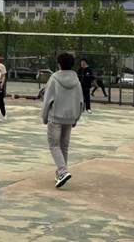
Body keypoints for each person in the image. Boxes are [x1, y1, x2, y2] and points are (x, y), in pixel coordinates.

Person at [41, 52, 84, 188]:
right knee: (64, 146)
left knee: (54, 145)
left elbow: (47, 99)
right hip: (70, 118)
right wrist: (76, 117)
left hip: (56, 117)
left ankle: (63, 171)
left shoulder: (54, 78)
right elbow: (81, 101)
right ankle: (60, 173)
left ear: (59, 64)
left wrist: (44, 117)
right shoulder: (76, 80)